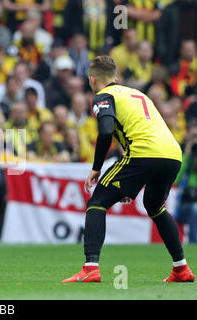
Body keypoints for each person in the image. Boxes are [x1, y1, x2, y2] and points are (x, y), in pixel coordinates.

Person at [62, 55, 195, 283]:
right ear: (116, 77)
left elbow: (105, 131)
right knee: (155, 206)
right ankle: (181, 269)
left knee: (97, 202)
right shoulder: (138, 94)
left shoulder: (103, 96)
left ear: (93, 79)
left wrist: (96, 168)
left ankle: (91, 267)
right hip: (172, 154)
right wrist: (128, 183)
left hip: (143, 153)